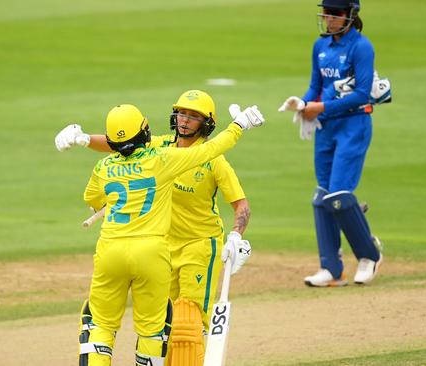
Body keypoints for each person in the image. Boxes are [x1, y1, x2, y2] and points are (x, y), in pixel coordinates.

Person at [56, 90, 253, 365]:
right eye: (182, 113)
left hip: (199, 244)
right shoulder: (161, 152)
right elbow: (119, 142)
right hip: (161, 249)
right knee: (160, 324)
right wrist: (85, 139)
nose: (185, 121)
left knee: (183, 320)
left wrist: (235, 235)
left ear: (205, 123)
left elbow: (240, 203)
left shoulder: (202, 160)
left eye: (193, 116)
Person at [278, 0, 383, 287]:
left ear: (350, 15)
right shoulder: (320, 46)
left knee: (338, 194)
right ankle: (331, 269)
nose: (328, 18)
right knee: (322, 196)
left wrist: (320, 109)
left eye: (334, 13)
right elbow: (317, 86)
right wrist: (303, 103)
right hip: (327, 128)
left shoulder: (361, 47)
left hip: (353, 125)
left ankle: (369, 255)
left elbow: (363, 93)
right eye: (326, 12)